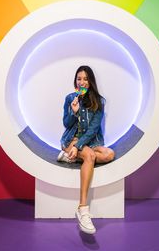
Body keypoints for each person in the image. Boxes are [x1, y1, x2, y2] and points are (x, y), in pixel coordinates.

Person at [57, 65, 115, 234]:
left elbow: (93, 129)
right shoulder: (70, 98)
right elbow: (66, 124)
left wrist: (78, 146)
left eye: (85, 79)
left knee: (109, 154)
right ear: (75, 81)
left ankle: (70, 156)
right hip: (71, 139)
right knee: (89, 156)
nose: (82, 82)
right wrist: (74, 112)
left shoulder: (99, 101)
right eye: (79, 79)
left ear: (91, 82)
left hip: (89, 141)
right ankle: (83, 209)